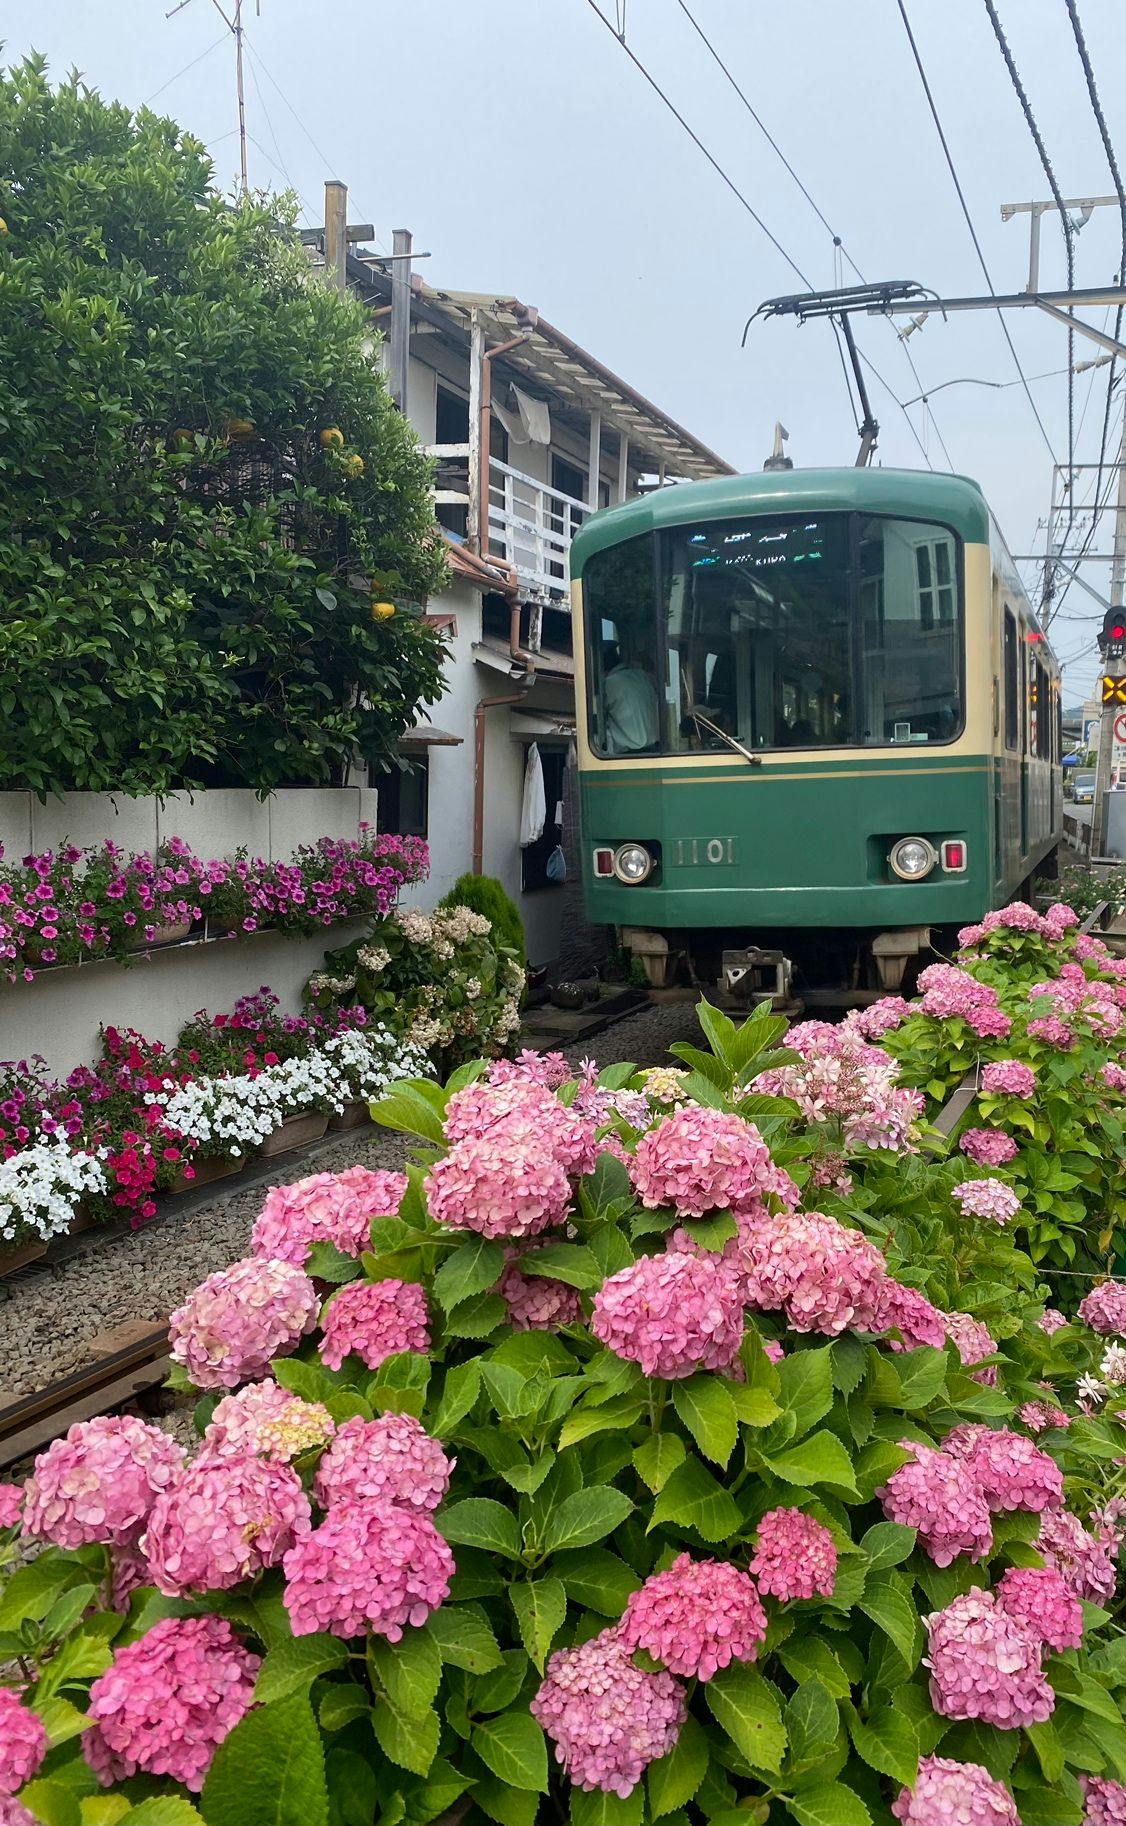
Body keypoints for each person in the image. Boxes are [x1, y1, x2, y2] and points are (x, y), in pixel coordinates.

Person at [603, 632, 660, 754]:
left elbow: (598, 712)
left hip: (630, 754)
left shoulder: (610, 683)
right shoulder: (641, 675)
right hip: (653, 749)